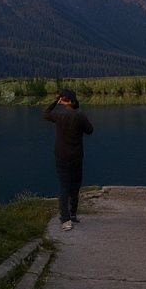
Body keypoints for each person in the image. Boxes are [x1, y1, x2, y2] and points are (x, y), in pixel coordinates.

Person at [43, 88, 94, 231]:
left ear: (63, 100)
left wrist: (54, 102)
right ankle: (72, 214)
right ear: (73, 100)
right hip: (76, 156)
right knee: (75, 186)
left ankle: (65, 219)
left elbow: (45, 113)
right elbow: (90, 130)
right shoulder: (80, 116)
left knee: (64, 187)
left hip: (61, 156)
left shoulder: (59, 116)